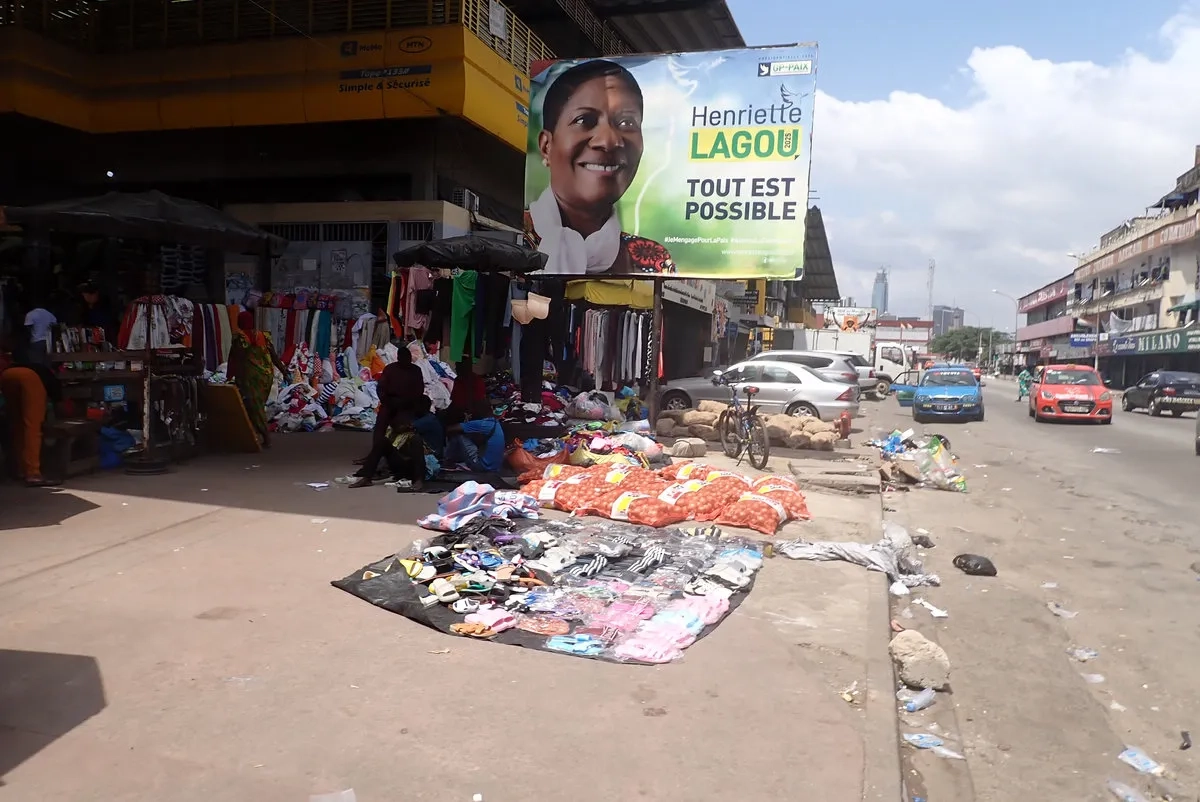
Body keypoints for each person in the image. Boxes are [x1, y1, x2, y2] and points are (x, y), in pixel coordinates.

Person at [525, 59, 675, 276]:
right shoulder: (517, 241)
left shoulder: (653, 261)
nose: (607, 141)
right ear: (546, 146)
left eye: (626, 123)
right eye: (584, 120)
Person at [352, 349, 427, 475]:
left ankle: (396, 455)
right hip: (389, 402)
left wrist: (409, 403)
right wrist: (387, 401)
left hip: (406, 405)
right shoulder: (390, 369)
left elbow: (419, 390)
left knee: (403, 429)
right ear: (398, 358)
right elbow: (381, 387)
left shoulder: (415, 371)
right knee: (380, 427)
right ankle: (374, 455)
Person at [0, 351, 63, 486]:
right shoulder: (53, 383)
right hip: (29, 379)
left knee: (17, 424)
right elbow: (58, 402)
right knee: (32, 426)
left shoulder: (41, 370)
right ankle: (33, 474)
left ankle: (20, 469)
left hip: (7, 375)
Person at [227, 311, 287, 448]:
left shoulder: (240, 338)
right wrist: (283, 370)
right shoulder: (263, 336)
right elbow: (274, 356)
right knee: (256, 406)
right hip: (266, 377)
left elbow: (236, 357)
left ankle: (266, 437)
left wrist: (232, 375)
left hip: (250, 378)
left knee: (254, 407)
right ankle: (252, 434)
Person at [444, 401, 505, 473]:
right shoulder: (495, 423)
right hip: (495, 467)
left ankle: (448, 460)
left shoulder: (482, 424)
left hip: (482, 466)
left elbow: (450, 429)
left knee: (458, 435)